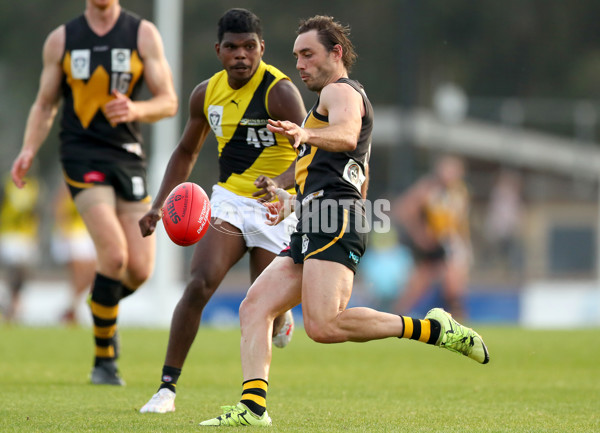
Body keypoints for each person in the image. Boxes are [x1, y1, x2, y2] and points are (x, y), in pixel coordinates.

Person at [199, 16, 490, 427]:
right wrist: (291, 201)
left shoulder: (342, 92)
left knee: (324, 325)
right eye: (296, 55)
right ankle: (252, 409)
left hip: (333, 218)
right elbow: (346, 175)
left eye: (308, 54)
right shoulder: (326, 103)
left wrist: (306, 138)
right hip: (320, 216)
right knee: (255, 306)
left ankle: (433, 329)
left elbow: (347, 135)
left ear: (335, 53)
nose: (299, 64)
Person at [138, 8, 306, 414]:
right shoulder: (205, 93)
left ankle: (281, 321)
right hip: (229, 201)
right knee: (199, 283)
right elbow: (185, 151)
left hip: (273, 208)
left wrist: (281, 187)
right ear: (218, 50)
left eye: (250, 47)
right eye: (232, 47)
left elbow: (310, 150)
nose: (241, 55)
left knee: (262, 305)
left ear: (262, 48)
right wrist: (158, 205)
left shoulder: (279, 92)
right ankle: (166, 389)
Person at [10, 0, 177, 385]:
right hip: (82, 155)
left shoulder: (142, 33)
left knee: (140, 268)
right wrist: (29, 148)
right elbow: (45, 103)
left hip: (129, 157)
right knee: (114, 255)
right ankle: (105, 362)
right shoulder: (62, 40)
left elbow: (167, 101)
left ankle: (99, 303)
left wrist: (135, 109)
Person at [392, 155, 471, 320]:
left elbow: (459, 222)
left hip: (450, 244)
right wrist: (420, 234)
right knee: (418, 287)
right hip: (433, 245)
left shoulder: (460, 191)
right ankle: (395, 317)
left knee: (453, 286)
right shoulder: (428, 188)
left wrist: (463, 243)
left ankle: (458, 321)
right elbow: (403, 209)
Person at [50, 182, 96, 325]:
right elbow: (59, 209)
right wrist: (65, 231)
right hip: (71, 234)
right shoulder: (69, 185)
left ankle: (71, 308)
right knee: (79, 274)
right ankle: (73, 311)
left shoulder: (94, 186)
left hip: (85, 234)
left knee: (94, 272)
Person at [0, 174, 40, 323]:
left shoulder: (34, 187)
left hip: (27, 235)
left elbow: (36, 212)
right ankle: (12, 303)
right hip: (9, 234)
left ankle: (12, 302)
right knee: (13, 269)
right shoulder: (6, 186)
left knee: (22, 272)